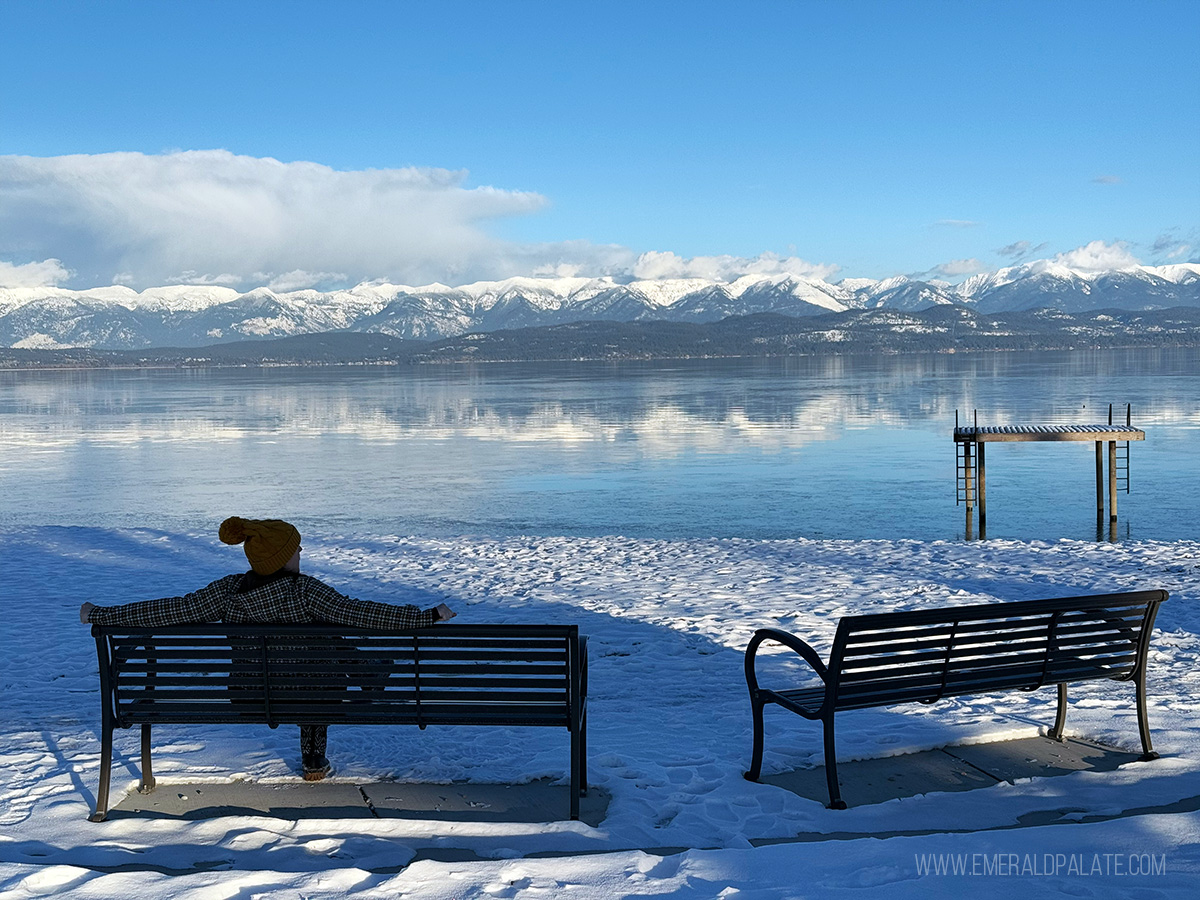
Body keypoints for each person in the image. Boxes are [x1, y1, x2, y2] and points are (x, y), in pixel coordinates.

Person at [80, 516, 455, 781]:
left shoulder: (228, 592)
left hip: (250, 695)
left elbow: (168, 609)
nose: (301, 552)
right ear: (283, 557)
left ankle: (361, 677)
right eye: (296, 548)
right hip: (314, 695)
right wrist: (425, 616)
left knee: (313, 655)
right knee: (317, 661)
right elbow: (362, 614)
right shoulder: (305, 590)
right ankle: (315, 756)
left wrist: (102, 613)